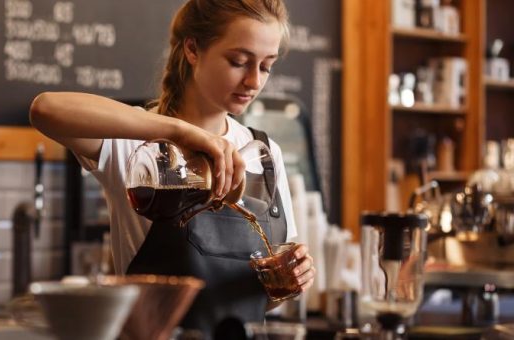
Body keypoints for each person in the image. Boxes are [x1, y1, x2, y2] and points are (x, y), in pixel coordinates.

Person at [30, 0, 315, 338]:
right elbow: (45, 109)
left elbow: (258, 300)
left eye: (266, 66)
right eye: (239, 62)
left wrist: (290, 281)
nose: (253, 80)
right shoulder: (140, 145)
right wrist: (177, 130)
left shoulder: (266, 153)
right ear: (193, 49)